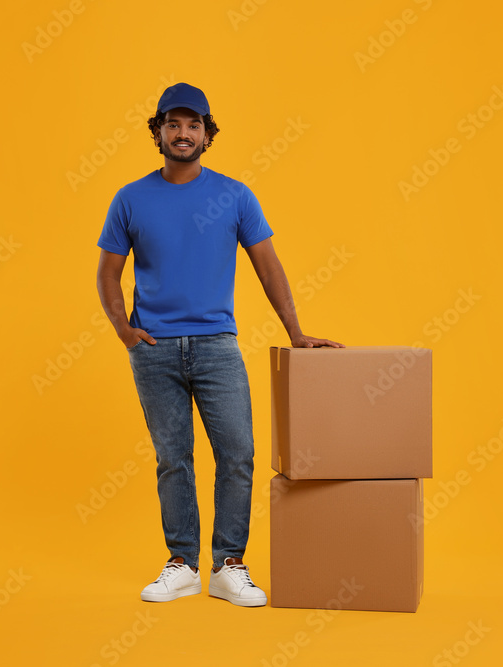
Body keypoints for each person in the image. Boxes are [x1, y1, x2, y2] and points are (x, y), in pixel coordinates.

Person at [96, 82, 343, 607]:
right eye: (173, 124)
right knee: (172, 458)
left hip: (216, 345)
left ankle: (230, 564)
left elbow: (268, 267)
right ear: (158, 132)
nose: (183, 133)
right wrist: (124, 331)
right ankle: (182, 565)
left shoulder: (234, 195)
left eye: (194, 125)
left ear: (208, 136)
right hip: (155, 349)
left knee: (238, 452)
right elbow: (107, 273)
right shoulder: (130, 198)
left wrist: (295, 332)